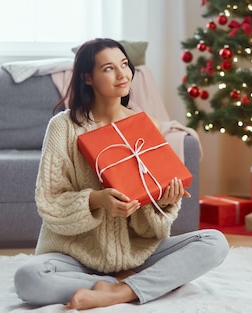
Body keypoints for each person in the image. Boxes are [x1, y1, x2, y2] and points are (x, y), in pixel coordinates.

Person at [13, 38, 229, 310]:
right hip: (74, 258)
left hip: (136, 254)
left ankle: (119, 292)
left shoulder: (146, 125)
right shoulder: (63, 127)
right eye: (108, 68)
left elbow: (156, 221)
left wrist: (163, 201)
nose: (122, 74)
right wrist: (97, 200)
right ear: (87, 78)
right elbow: (50, 200)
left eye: (124, 65)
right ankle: (130, 285)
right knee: (27, 278)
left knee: (214, 242)